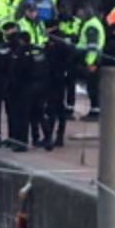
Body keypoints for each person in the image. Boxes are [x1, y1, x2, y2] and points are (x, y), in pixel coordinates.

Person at [43, 18, 75, 148]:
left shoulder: (55, 41)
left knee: (52, 108)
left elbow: (50, 59)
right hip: (62, 77)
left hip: (54, 78)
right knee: (59, 107)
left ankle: (51, 136)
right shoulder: (63, 39)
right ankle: (58, 136)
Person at [76, 2, 107, 118]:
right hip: (94, 60)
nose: (79, 14)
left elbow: (92, 47)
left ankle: (95, 111)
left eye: (81, 11)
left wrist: (91, 63)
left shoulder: (91, 26)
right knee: (93, 87)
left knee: (93, 88)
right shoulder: (93, 23)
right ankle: (95, 110)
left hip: (92, 61)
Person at [5, 26, 33, 152]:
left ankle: (20, 142)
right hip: (29, 87)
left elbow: (16, 70)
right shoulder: (33, 51)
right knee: (24, 116)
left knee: (19, 116)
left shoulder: (20, 53)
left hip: (20, 88)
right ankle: (21, 140)